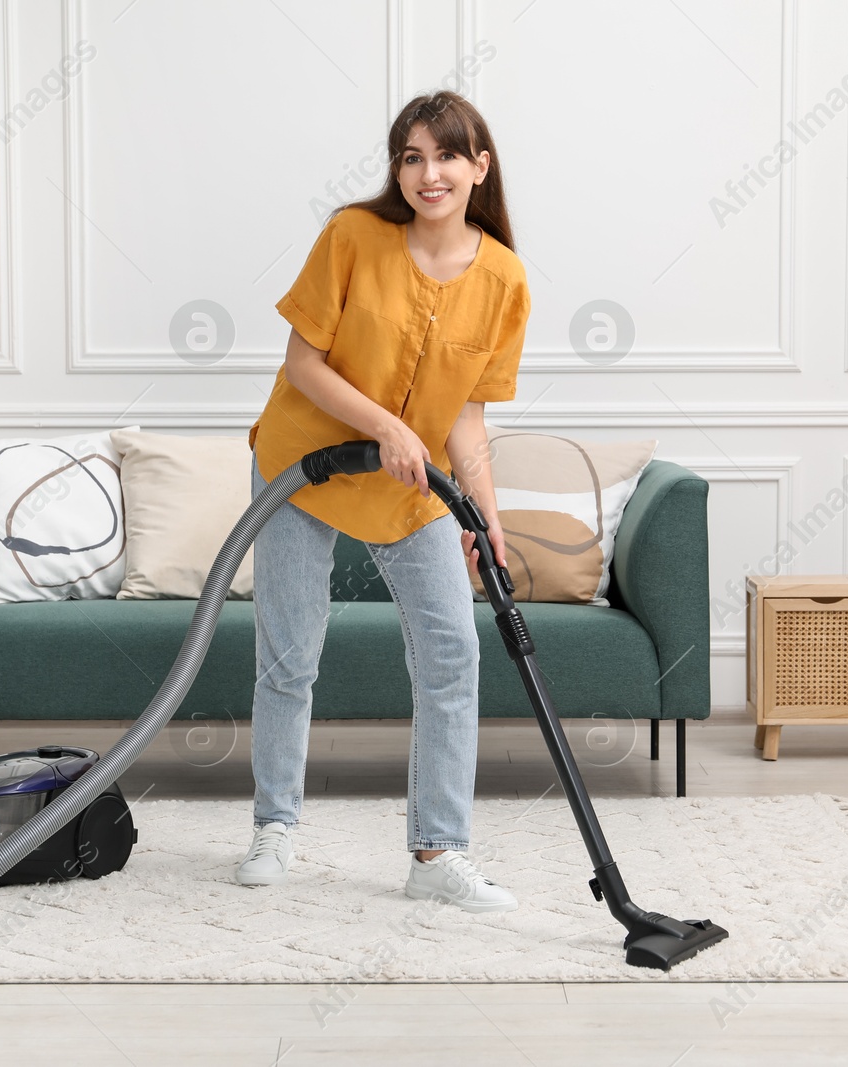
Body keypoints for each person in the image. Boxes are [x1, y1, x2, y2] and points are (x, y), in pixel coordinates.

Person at [237, 90, 530, 913]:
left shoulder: (504, 280)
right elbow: (304, 363)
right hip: (302, 465)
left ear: (480, 166)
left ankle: (437, 853)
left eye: (445, 156)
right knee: (291, 655)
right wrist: (386, 426)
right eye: (411, 156)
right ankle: (275, 826)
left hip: (412, 487)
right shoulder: (352, 237)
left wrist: (486, 515)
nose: (427, 173)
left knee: (451, 656)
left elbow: (467, 421)